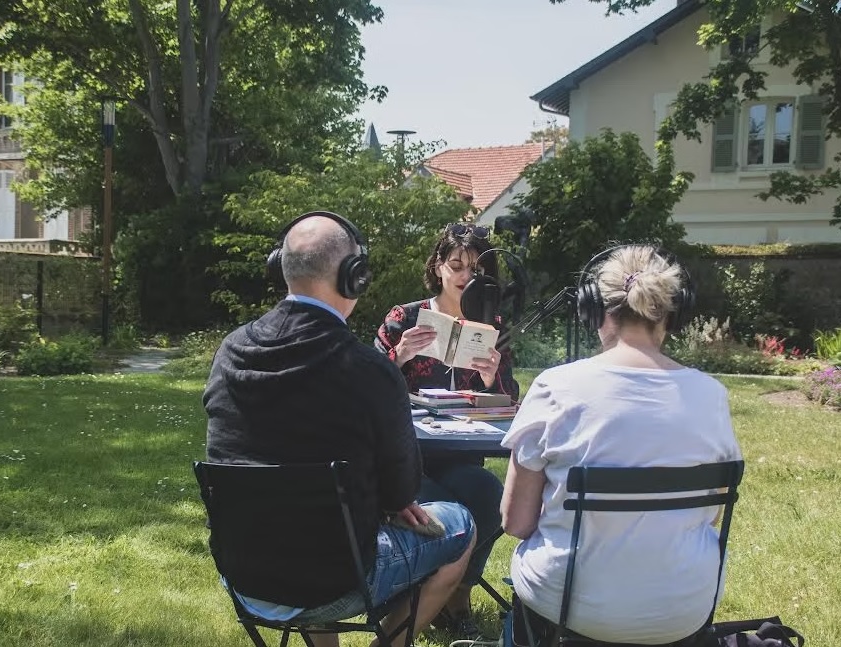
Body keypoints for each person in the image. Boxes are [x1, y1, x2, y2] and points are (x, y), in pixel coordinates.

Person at [203, 212, 476, 647]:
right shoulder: (367, 369)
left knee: (316, 536)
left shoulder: (230, 352)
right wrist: (394, 500)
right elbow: (402, 488)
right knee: (462, 523)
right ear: (355, 278)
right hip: (335, 579)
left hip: (243, 575)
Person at [500, 245, 742, 645]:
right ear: (673, 313)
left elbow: (516, 522)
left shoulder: (555, 387)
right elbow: (711, 517)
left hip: (567, 613)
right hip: (682, 614)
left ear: (593, 310)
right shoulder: (710, 396)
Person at [374, 221, 520, 637]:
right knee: (449, 512)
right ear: (438, 266)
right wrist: (398, 357)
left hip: (461, 451)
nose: (464, 277)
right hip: (409, 453)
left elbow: (512, 401)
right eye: (456, 265)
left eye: (474, 270)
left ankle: (455, 592)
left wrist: (493, 378)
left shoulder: (491, 323)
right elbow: (366, 388)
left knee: (490, 497)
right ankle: (437, 600)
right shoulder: (404, 318)